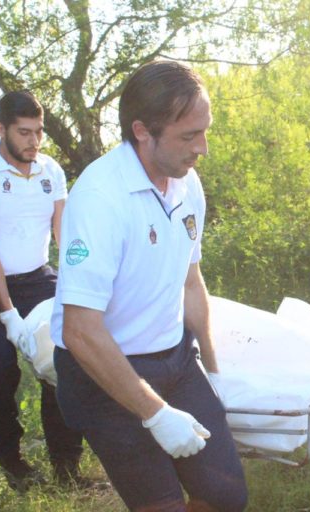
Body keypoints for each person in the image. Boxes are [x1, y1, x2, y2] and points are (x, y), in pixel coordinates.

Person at [49, 60, 248, 512]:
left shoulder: (186, 184)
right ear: (142, 130)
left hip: (175, 360)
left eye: (205, 131)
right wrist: (155, 414)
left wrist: (213, 374)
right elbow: (80, 330)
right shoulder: (100, 198)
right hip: (103, 373)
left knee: (225, 496)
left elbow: (190, 283)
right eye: (188, 136)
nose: (203, 148)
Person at [0, 90, 85, 492]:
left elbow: (64, 234)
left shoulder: (51, 171)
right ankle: (12, 462)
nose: (34, 141)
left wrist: (80, 282)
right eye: (24, 132)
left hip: (38, 277)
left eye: (38, 132)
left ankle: (67, 466)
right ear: (1, 129)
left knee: (64, 359)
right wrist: (8, 314)